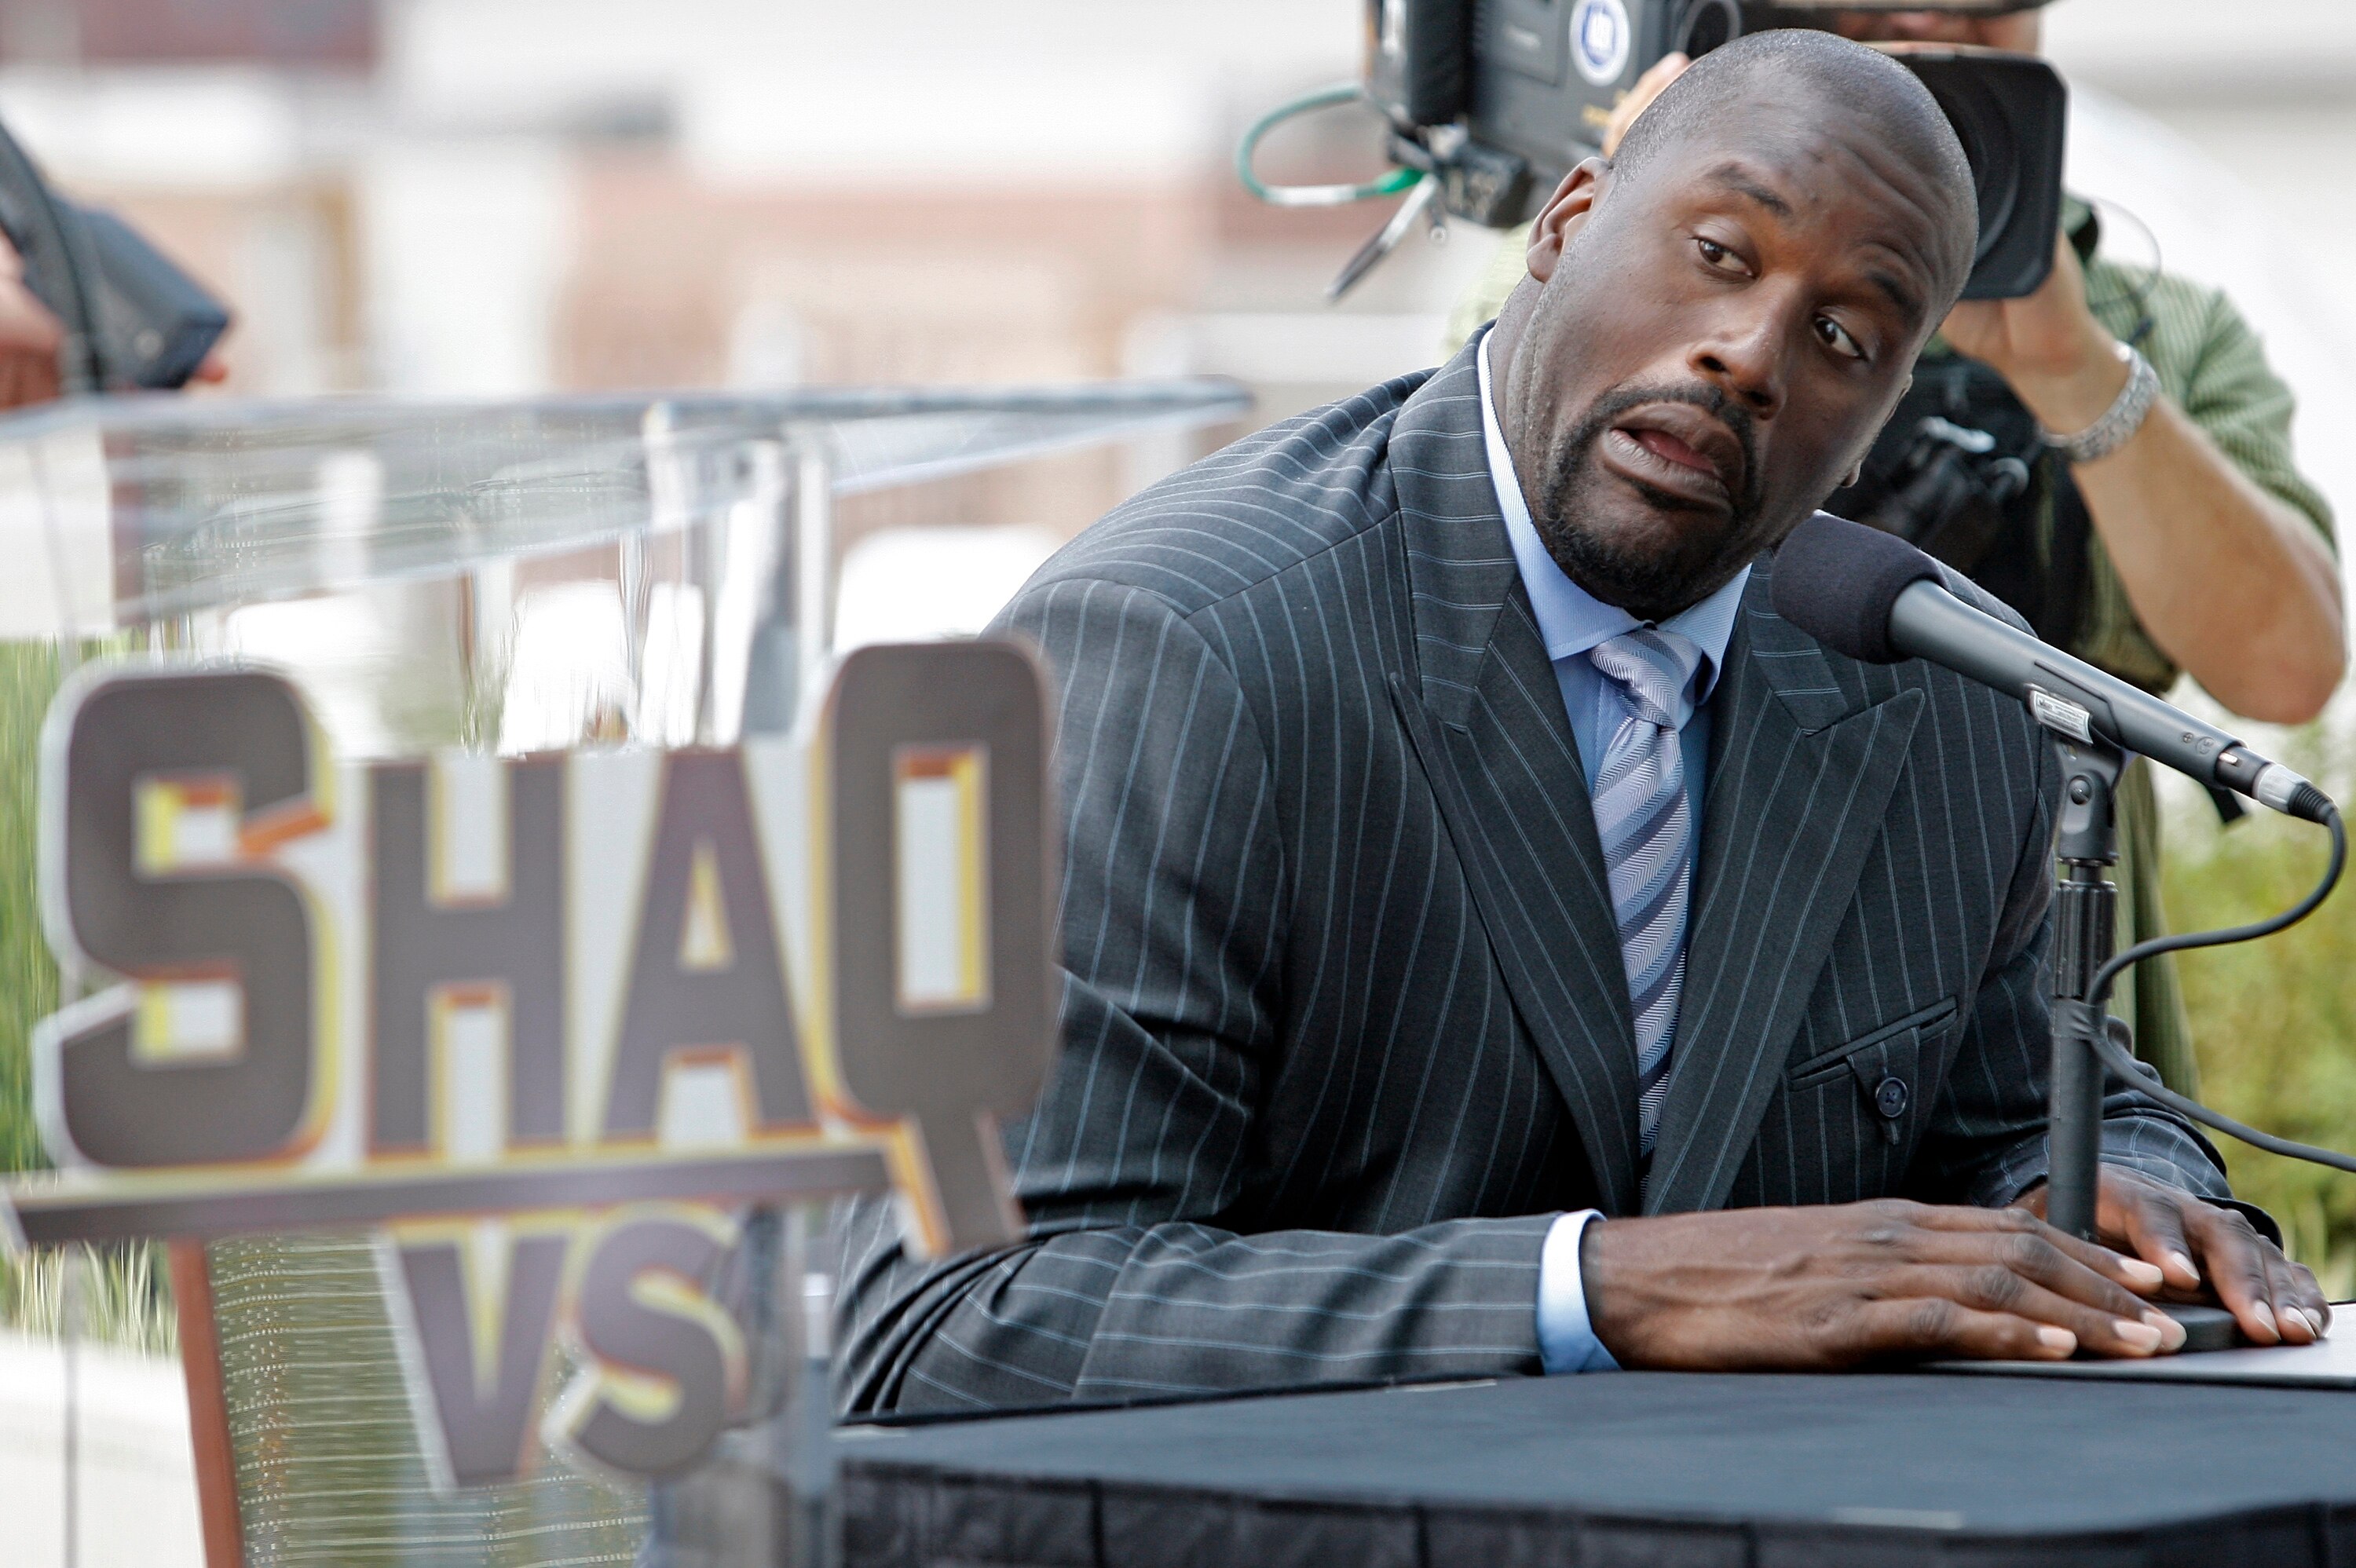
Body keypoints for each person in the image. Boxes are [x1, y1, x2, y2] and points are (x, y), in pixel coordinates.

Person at [834, 31, 2326, 1416]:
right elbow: (955, 1309)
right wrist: (1599, 1283)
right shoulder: (1180, 649)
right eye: (1718, 252)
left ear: (1880, 417)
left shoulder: (1953, 692)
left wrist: (2124, 1186)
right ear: (1564, 220)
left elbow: (2019, 1113)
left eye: (1848, 338)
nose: (1750, 353)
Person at [1445, 9, 2344, 1098]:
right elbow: (1494, 540)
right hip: (1677, 942)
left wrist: (2073, 369)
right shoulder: (1620, 242)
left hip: (2028, 1000)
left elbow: (2286, 665)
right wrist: (1660, 199)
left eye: (1983, 8)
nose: (1932, 24)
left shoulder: (2149, 319)